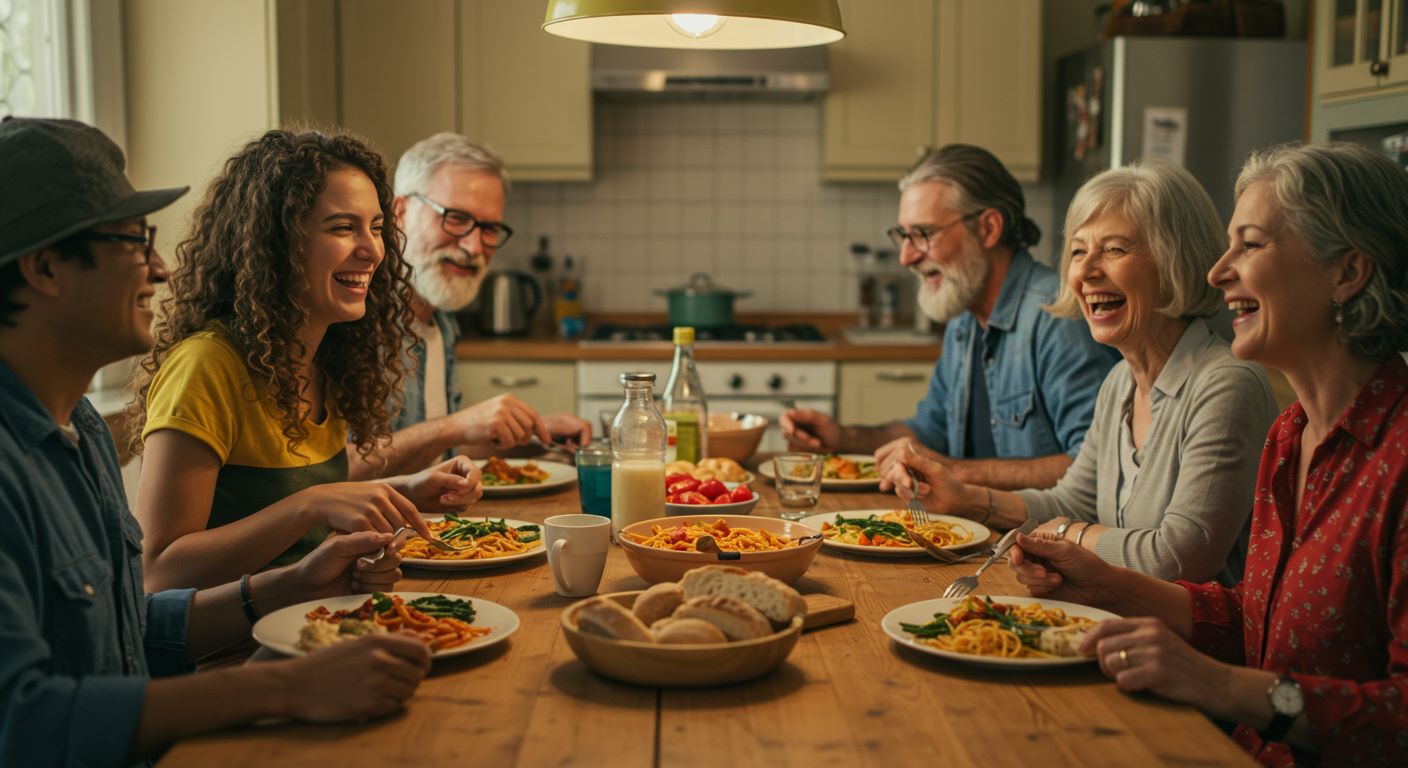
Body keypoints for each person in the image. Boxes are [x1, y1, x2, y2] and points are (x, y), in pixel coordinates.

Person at [0, 117, 430, 768]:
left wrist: (291, 583)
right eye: (133, 241)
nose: (162, 266)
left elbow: (128, 628)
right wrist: (285, 685)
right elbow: (23, 721)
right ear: (45, 267)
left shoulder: (81, 430)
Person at [1009, 142, 1408, 766]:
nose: (1218, 272)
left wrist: (1218, 685)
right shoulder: (1290, 436)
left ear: (1346, 273)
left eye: (1249, 245)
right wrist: (1111, 586)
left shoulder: (1399, 459)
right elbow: (1257, 619)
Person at [884, 161, 1278, 583]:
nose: (1086, 272)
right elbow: (1073, 498)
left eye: (1113, 249)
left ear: (1174, 262)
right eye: (1077, 251)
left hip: (1183, 645)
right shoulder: (1120, 383)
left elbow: (1175, 558)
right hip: (1109, 619)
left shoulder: (1227, 386)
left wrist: (1062, 534)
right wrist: (967, 499)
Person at [132, 129, 483, 591]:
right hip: (231, 653)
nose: (372, 250)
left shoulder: (329, 358)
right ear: (276, 243)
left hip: (314, 623)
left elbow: (300, 521)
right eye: (342, 228)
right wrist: (312, 506)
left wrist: (407, 490)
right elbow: (158, 571)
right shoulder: (206, 366)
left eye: (376, 228)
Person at [782, 145, 1119, 490]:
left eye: (923, 234)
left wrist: (955, 472)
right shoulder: (965, 317)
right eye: (903, 236)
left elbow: (1097, 468)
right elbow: (930, 432)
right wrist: (843, 436)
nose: (906, 257)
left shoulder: (1058, 317)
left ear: (989, 228)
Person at [347, 132, 591, 479]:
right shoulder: (354, 319)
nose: (474, 246)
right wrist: (453, 426)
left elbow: (438, 452)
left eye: (489, 228)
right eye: (456, 218)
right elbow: (336, 474)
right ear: (400, 212)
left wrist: (533, 436)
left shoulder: (441, 322)